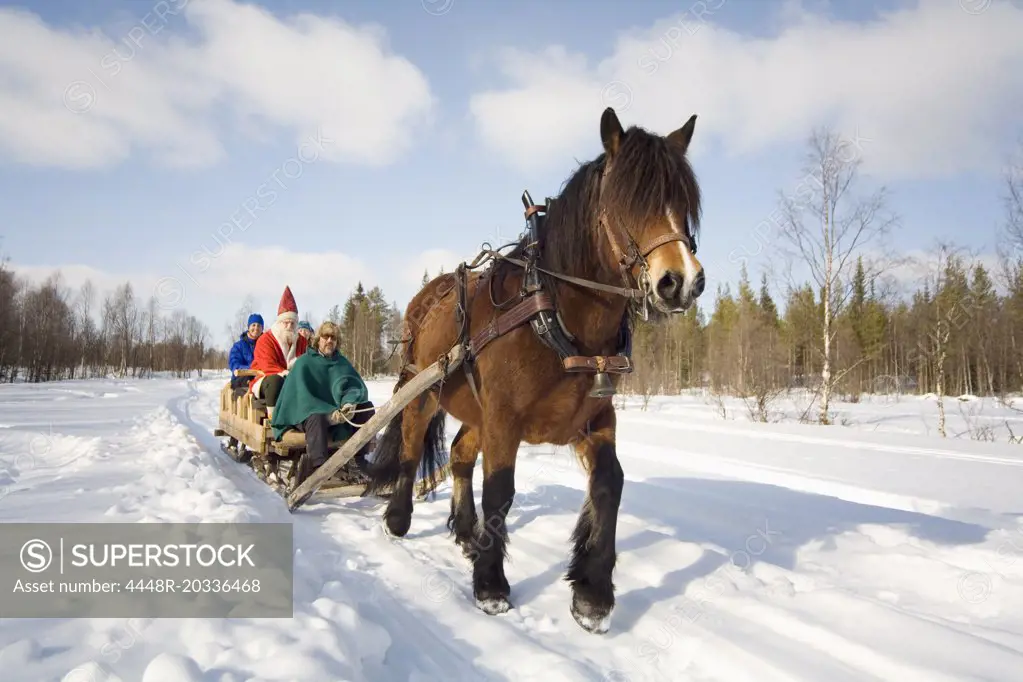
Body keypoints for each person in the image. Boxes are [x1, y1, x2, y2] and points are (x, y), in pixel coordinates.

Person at [269, 320, 376, 488]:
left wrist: (348, 404)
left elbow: (355, 387)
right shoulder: (305, 362)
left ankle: (358, 460)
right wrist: (327, 413)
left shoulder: (342, 363)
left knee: (366, 407)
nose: (329, 341)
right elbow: (301, 396)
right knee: (316, 417)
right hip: (306, 415)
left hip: (339, 416)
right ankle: (319, 467)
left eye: (333, 337)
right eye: (325, 336)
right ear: (318, 339)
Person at [248, 285, 308, 418]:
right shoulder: (265, 339)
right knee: (276, 381)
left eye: (293, 323)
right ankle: (274, 418)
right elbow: (267, 364)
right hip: (267, 378)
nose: (289, 326)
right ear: (279, 322)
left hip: (293, 380)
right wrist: (288, 372)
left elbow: (308, 360)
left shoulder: (302, 341)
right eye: (286, 322)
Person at [228, 313, 263, 391]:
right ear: (248, 327)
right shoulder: (238, 346)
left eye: (259, 325)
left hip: (260, 377)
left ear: (262, 329)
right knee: (250, 379)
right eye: (253, 325)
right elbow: (234, 363)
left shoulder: (266, 345)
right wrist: (252, 369)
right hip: (241, 378)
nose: (256, 328)